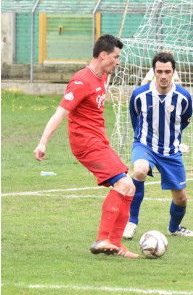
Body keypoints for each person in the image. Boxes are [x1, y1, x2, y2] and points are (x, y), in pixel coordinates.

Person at [33, 34, 138, 258]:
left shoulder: (102, 77)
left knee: (130, 187)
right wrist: (43, 142)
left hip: (99, 141)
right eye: (115, 57)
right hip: (86, 144)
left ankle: (115, 245)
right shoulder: (81, 81)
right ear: (102, 56)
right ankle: (102, 239)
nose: (118, 62)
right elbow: (61, 112)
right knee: (122, 184)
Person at [123, 51, 193, 240]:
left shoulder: (183, 97)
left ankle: (174, 227)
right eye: (159, 71)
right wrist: (143, 138)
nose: (163, 76)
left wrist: (173, 139)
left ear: (173, 72)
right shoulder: (140, 94)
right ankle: (131, 222)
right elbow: (135, 117)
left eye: (167, 71)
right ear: (153, 71)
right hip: (145, 144)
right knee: (139, 170)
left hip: (171, 151)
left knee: (181, 199)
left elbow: (185, 120)